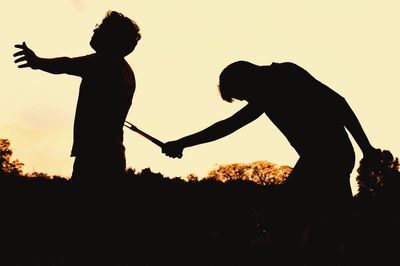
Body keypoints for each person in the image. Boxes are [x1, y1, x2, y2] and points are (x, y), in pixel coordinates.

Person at [162, 60, 380, 262]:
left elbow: (337, 103)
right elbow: (228, 125)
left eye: (243, 95)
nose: (247, 100)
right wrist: (183, 143)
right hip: (330, 157)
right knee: (332, 221)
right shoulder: (268, 90)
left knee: (290, 220)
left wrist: (367, 148)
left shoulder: (285, 76)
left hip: (326, 157)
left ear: (246, 79)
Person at [13, 10, 141, 184]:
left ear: (111, 38)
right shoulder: (125, 70)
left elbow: (67, 64)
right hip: (110, 155)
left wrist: (37, 62)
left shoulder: (104, 62)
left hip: (95, 157)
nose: (95, 30)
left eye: (100, 28)